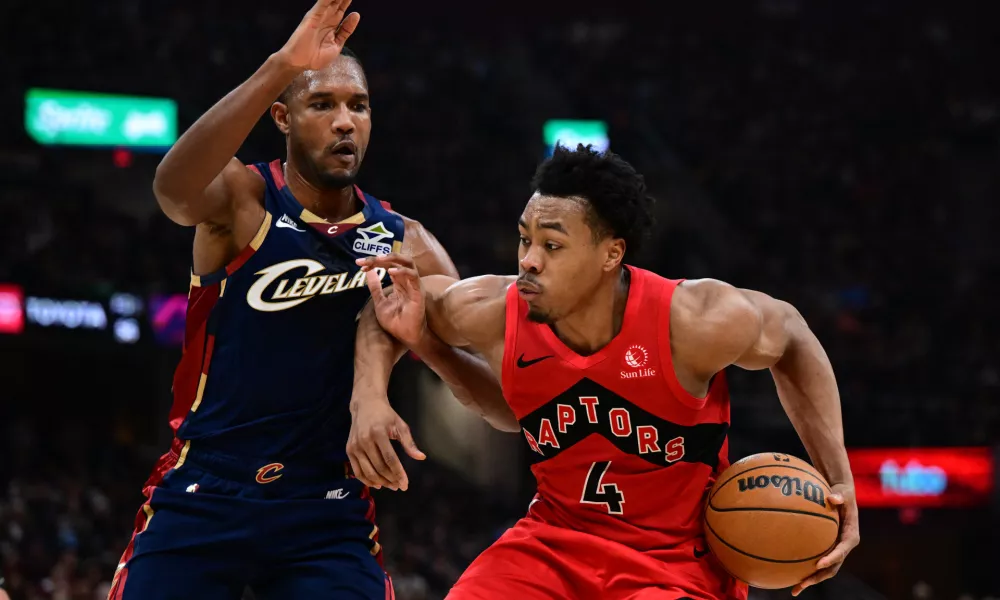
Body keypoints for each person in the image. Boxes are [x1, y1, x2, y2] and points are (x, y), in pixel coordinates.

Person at [110, 1, 515, 598]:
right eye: (322, 104)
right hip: (205, 491)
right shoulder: (244, 201)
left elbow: (502, 407)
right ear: (283, 116)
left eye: (358, 106)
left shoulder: (406, 241)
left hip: (326, 509)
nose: (344, 121)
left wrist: (425, 347)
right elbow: (172, 189)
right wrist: (282, 65)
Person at [349, 145, 860, 599]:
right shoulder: (494, 309)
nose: (528, 261)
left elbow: (793, 338)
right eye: (524, 239)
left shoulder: (693, 321)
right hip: (552, 544)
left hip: (673, 566)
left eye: (552, 246)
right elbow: (390, 300)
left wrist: (840, 481)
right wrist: (372, 394)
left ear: (611, 254)